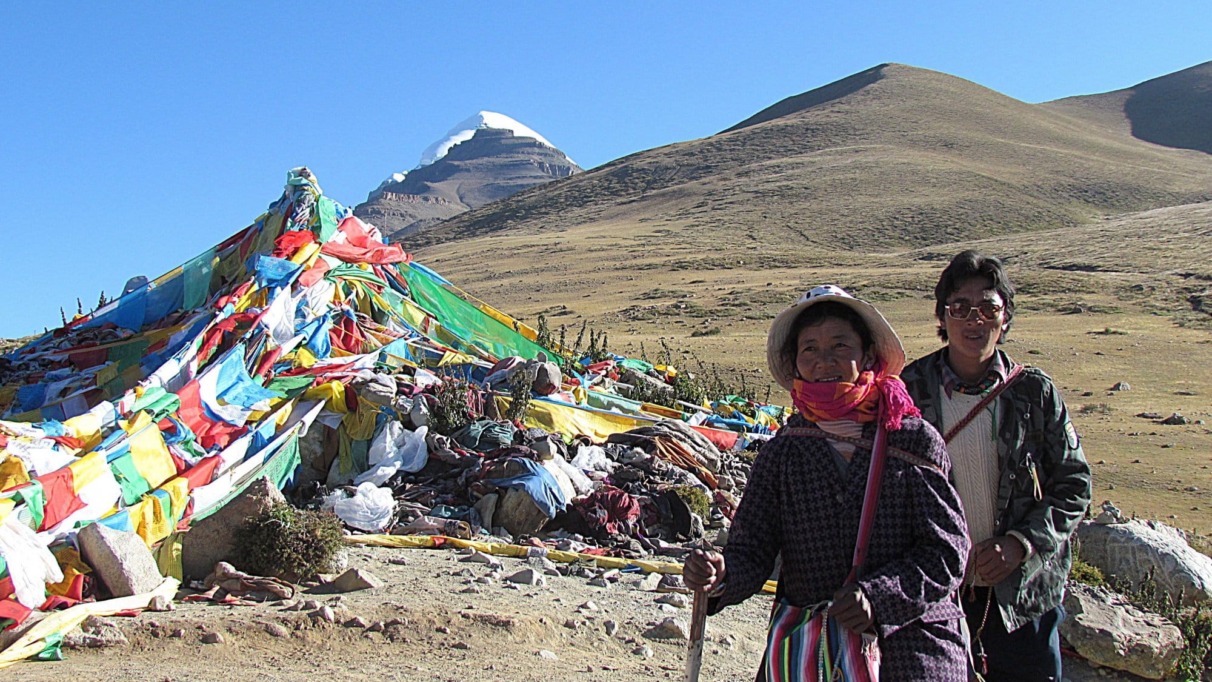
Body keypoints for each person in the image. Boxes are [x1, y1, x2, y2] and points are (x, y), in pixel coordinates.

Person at [685, 285, 970, 681]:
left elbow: (947, 551)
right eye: (810, 349)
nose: (825, 360)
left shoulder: (912, 440)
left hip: (909, 648)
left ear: (867, 355)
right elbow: (752, 550)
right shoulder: (784, 452)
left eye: (840, 346)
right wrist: (722, 574)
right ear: (795, 363)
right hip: (810, 652)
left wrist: (878, 596)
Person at [901, 251, 1092, 682]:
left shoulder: (1034, 393)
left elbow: (1074, 484)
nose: (975, 319)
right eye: (960, 307)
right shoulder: (908, 391)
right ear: (942, 316)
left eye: (988, 307)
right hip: (936, 591)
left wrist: (1021, 544)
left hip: (1022, 596)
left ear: (1005, 318)